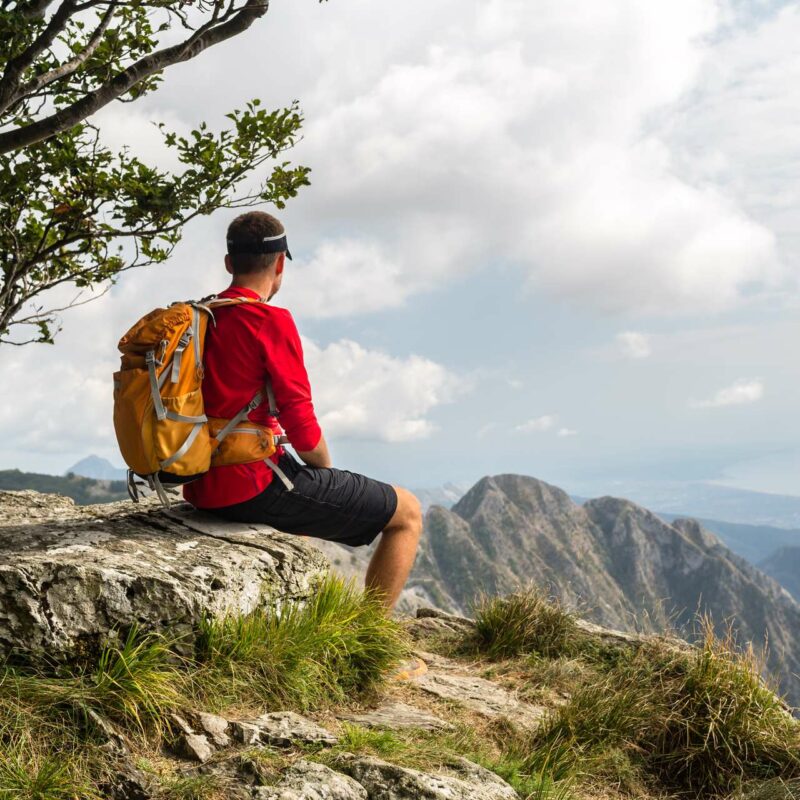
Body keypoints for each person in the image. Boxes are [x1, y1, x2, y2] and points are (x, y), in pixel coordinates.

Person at [184, 210, 423, 611]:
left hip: (200, 483)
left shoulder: (201, 316)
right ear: (280, 264)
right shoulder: (268, 319)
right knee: (408, 513)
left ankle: (300, 615)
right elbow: (302, 427)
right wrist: (325, 472)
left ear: (229, 263)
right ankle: (372, 641)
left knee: (306, 513)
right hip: (250, 484)